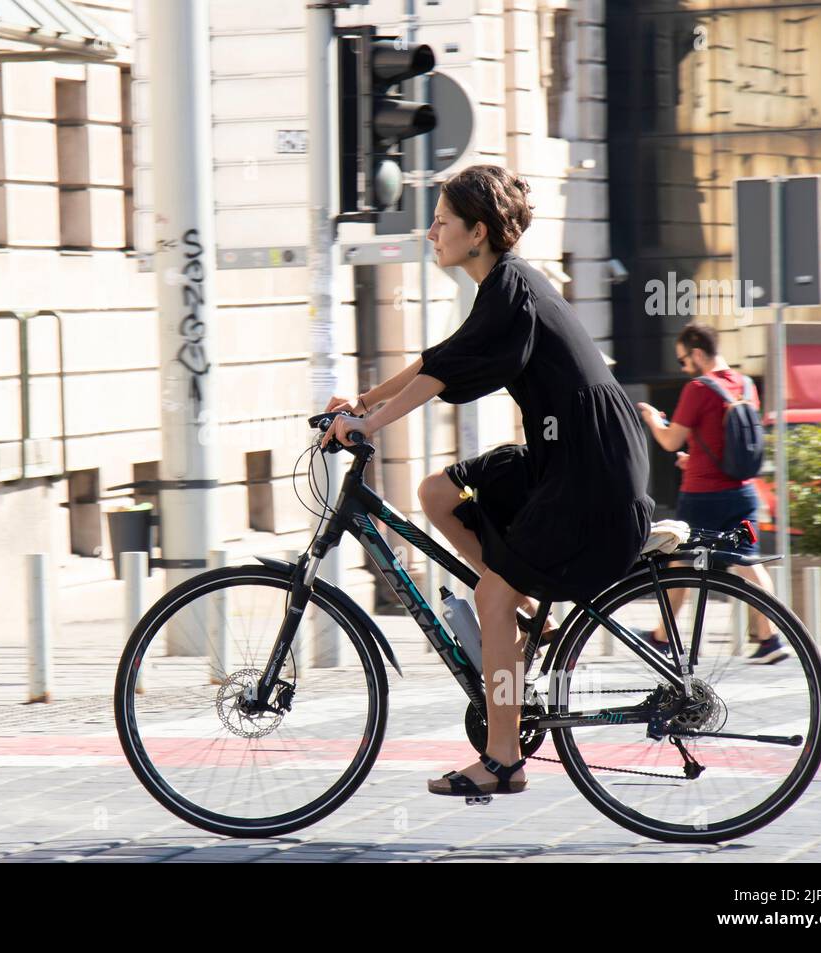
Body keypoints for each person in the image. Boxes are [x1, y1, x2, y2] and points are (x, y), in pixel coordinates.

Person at [321, 164, 654, 800]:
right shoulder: (503, 287)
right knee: (436, 494)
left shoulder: (513, 286)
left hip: (590, 469)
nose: (431, 230)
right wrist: (362, 404)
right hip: (564, 456)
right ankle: (525, 618)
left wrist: (371, 424)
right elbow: (441, 359)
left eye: (442, 221)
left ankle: (503, 758)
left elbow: (441, 376)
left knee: (490, 599)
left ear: (477, 232)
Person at [636, 323, 788, 663]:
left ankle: (662, 638)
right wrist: (697, 459)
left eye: (683, 359)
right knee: (748, 561)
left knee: (680, 561)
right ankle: (769, 639)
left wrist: (649, 417)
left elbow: (669, 440)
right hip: (745, 495)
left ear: (698, 353)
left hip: (702, 499)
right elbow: (728, 443)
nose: (682, 367)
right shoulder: (746, 386)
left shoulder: (698, 388)